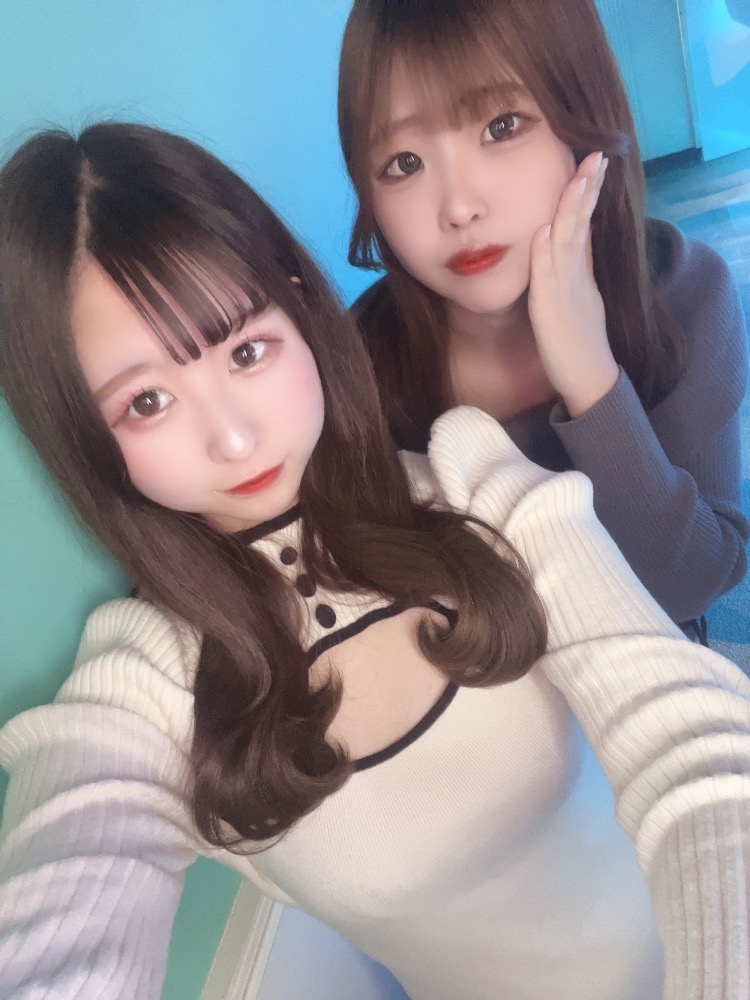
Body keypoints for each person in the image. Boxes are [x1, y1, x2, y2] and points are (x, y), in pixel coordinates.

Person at [1, 121, 750, 1000]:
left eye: (247, 351)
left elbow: (690, 741)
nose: (234, 437)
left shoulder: (475, 480)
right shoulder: (149, 672)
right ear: (83, 434)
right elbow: (63, 918)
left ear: (297, 308)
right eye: (147, 402)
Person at [338, 0, 749, 636]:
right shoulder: (355, 368)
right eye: (404, 163)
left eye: (501, 127)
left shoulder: (683, 294)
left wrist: (592, 382)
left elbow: (689, 587)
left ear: (583, 121)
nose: (459, 207)